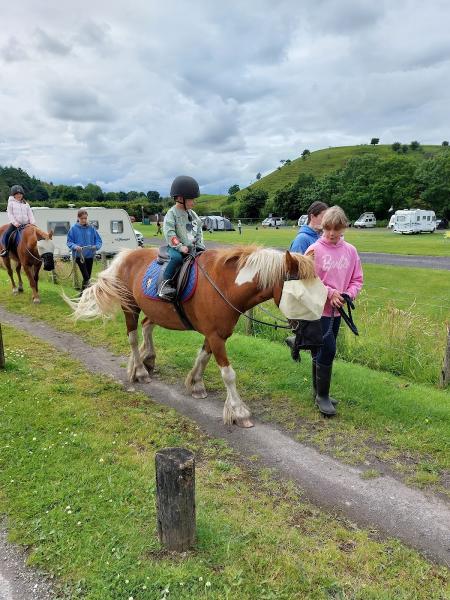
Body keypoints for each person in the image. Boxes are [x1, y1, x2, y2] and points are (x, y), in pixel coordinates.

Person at [306, 206, 363, 416]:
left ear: (343, 227)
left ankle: (317, 392)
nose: (331, 234)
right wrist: (330, 293)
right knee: (328, 350)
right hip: (317, 309)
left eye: (336, 229)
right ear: (323, 227)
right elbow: (308, 280)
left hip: (337, 312)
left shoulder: (351, 251)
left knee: (320, 350)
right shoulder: (313, 250)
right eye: (327, 229)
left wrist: (348, 294)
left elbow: (357, 279)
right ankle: (322, 396)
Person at [157, 175, 205, 301]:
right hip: (177, 248)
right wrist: (180, 247)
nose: (194, 202)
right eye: (191, 199)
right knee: (176, 258)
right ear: (180, 198)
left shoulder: (192, 214)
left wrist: (200, 245)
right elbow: (170, 233)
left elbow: (198, 229)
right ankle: (164, 285)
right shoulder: (171, 214)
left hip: (192, 247)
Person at [67, 210, 102, 291]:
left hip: (90, 256)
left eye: (85, 218)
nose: (84, 220)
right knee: (86, 276)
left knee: (87, 277)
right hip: (79, 256)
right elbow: (69, 242)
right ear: (78, 218)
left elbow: (98, 240)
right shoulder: (73, 229)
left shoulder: (91, 228)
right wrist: (75, 246)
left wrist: (96, 246)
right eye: (82, 218)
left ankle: (82, 295)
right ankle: (84, 295)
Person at [0, 185, 35, 257]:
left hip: (27, 225)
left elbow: (30, 214)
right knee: (6, 234)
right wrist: (15, 223)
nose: (19, 195)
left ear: (22, 194)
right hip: (15, 225)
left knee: (37, 233)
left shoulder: (26, 204)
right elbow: (10, 214)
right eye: (17, 194)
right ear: (13, 195)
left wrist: (32, 223)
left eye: (20, 194)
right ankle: (6, 250)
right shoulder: (11, 203)